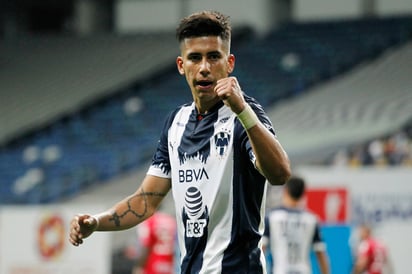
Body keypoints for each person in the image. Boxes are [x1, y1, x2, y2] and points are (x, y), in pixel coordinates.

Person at [69, 10, 291, 273]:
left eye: (214, 57)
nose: (204, 68)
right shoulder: (175, 123)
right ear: (181, 65)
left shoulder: (244, 115)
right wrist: (96, 222)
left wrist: (242, 110)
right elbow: (145, 202)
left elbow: (280, 174)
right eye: (195, 58)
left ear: (229, 63)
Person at [263, 176, 330, 274]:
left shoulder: (272, 217)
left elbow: (261, 251)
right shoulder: (311, 219)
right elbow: (321, 255)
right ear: (303, 193)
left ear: (286, 191)